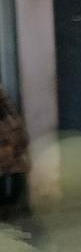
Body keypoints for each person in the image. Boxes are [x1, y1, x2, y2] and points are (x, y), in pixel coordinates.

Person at [0, 85, 30, 220]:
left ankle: (10, 205)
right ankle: (7, 206)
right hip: (10, 140)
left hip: (10, 142)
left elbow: (9, 108)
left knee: (18, 174)